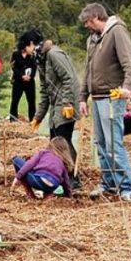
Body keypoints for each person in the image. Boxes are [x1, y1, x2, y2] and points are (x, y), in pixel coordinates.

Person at [77, 3, 131, 201]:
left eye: (88, 22)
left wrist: (127, 88)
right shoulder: (92, 40)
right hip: (97, 97)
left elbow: (130, 63)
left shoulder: (117, 32)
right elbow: (88, 70)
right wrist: (82, 97)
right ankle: (109, 182)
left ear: (96, 17)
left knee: (113, 143)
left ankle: (127, 187)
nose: (87, 26)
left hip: (112, 97)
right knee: (101, 143)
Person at [32, 40, 80, 175]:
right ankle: (60, 174)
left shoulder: (54, 54)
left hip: (66, 103)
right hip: (56, 105)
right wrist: (38, 116)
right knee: (54, 139)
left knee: (62, 140)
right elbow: (44, 91)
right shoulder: (40, 61)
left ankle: (72, 176)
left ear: (32, 44)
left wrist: (67, 103)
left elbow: (68, 78)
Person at [9, 35, 38, 121]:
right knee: (15, 101)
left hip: (29, 82)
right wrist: (22, 75)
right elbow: (14, 67)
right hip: (18, 81)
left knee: (31, 102)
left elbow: (34, 67)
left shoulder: (33, 55)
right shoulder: (16, 54)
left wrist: (30, 76)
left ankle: (32, 120)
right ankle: (13, 119)